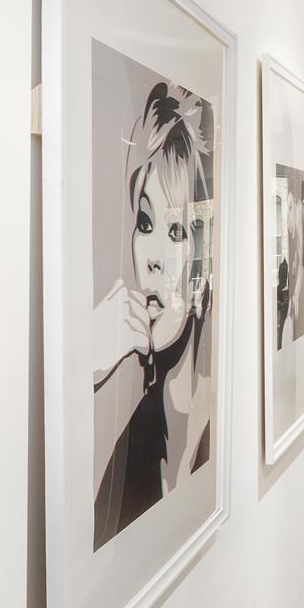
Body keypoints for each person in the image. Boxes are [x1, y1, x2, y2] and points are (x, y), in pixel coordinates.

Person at [91, 82, 214, 548]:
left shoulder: (214, 420)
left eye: (178, 230)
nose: (153, 258)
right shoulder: (137, 444)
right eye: (145, 224)